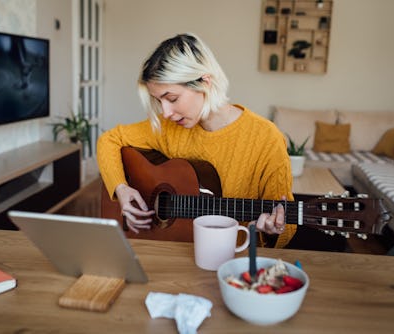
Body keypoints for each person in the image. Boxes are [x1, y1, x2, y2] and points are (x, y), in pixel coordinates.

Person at [97, 33, 296, 248]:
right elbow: (109, 139)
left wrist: (274, 229)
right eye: (158, 101)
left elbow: (286, 224)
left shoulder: (266, 138)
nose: (165, 112)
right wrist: (121, 188)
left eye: (172, 99)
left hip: (234, 261)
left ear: (205, 82)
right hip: (176, 253)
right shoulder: (169, 129)